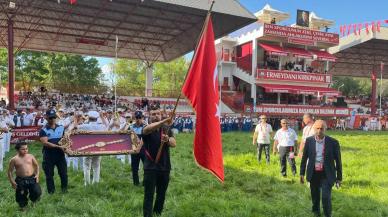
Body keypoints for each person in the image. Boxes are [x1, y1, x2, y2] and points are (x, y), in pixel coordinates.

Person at [300, 120, 342, 217]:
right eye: (317, 128)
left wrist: (339, 178)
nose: (319, 131)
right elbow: (304, 158)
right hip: (313, 173)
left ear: (325, 129)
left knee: (325, 197)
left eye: (321, 129)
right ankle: (316, 213)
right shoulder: (309, 141)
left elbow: (338, 161)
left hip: (327, 174)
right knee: (315, 196)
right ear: (314, 129)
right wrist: (302, 173)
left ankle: (328, 214)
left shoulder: (333, 142)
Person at [142, 108, 176, 217]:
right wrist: (164, 120)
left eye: (158, 114)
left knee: (161, 195)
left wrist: (167, 140)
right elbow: (148, 129)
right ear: (149, 116)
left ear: (161, 115)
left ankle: (157, 213)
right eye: (153, 114)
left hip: (165, 167)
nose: (156, 115)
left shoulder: (166, 129)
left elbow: (174, 143)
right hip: (150, 168)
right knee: (149, 195)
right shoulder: (146, 128)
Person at [39, 110, 68, 194]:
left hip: (60, 154)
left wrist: (66, 146)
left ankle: (64, 189)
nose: (52, 119)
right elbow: (45, 143)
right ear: (46, 118)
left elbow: (64, 139)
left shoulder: (61, 128)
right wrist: (59, 146)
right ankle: (51, 192)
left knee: (63, 173)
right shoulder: (43, 130)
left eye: (54, 117)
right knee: (49, 175)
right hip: (49, 155)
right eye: (50, 118)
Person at [75, 111, 107, 186]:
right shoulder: (101, 126)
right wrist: (102, 117)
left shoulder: (85, 126)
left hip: (87, 149)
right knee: (96, 166)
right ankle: (96, 182)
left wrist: (75, 118)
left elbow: (75, 127)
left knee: (86, 166)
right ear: (97, 118)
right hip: (98, 148)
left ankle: (87, 183)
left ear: (89, 118)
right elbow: (107, 126)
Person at [7, 142, 42, 210]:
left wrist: (37, 175)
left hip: (32, 177)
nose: (25, 150)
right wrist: (12, 182)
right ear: (17, 150)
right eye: (23, 149)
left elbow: (36, 166)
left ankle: (33, 201)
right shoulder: (14, 159)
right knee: (21, 194)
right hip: (21, 180)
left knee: (37, 191)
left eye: (26, 149)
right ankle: (23, 206)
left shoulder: (30, 156)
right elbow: (10, 172)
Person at [130, 111, 146, 186]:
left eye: (140, 118)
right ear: (134, 118)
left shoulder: (145, 126)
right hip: (134, 148)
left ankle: (145, 182)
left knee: (146, 167)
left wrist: (139, 147)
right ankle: (136, 183)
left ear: (142, 118)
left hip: (144, 149)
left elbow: (145, 138)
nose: (138, 119)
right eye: (137, 117)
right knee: (134, 167)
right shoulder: (131, 126)